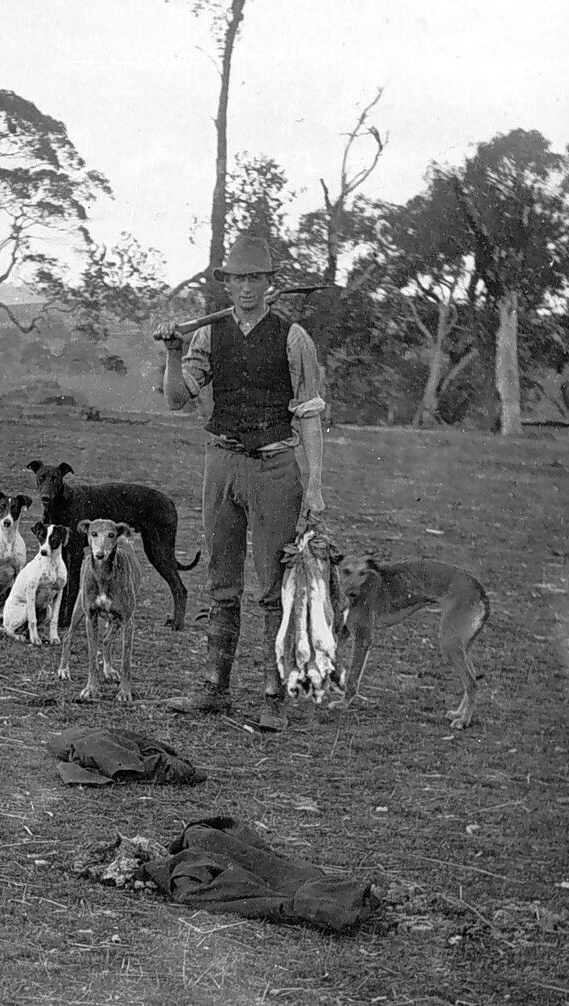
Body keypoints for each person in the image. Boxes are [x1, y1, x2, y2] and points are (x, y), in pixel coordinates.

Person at [153, 234, 326, 730]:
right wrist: (172, 352)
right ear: (226, 285)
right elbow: (174, 399)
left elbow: (310, 416)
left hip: (275, 467)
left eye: (255, 278)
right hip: (223, 462)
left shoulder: (294, 338)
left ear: (268, 284)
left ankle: (274, 695)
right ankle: (214, 687)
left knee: (272, 585)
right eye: (237, 279)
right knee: (222, 580)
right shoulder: (208, 336)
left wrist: (314, 487)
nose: (245, 288)